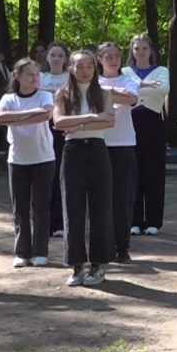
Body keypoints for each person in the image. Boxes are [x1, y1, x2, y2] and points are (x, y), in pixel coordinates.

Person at [53, 50, 117, 287]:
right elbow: (58, 122)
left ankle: (99, 263)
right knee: (73, 207)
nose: (86, 70)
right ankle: (76, 265)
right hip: (73, 152)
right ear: (71, 68)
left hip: (97, 149)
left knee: (101, 207)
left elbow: (109, 120)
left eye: (90, 66)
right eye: (80, 66)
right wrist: (90, 117)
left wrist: (78, 122)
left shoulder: (104, 93)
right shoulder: (63, 94)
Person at [0, 58, 56, 269]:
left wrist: (16, 119)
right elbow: (0, 118)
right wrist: (30, 115)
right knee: (20, 208)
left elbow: (46, 114)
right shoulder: (8, 98)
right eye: (29, 74)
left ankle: (40, 251)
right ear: (18, 76)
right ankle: (22, 252)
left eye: (36, 75)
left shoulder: (45, 95)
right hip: (18, 160)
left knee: (40, 207)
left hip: (44, 158)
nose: (34, 78)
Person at [96, 42, 141, 263]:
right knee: (100, 199)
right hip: (98, 144)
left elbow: (131, 99)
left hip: (123, 144)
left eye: (116, 56)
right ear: (99, 59)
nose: (113, 60)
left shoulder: (128, 80)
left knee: (122, 198)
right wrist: (114, 94)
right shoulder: (93, 81)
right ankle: (102, 246)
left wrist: (106, 93)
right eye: (108, 56)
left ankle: (122, 246)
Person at [127, 33, 169, 236]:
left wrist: (136, 90)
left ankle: (153, 220)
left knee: (154, 170)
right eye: (137, 49)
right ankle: (134, 220)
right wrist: (146, 88)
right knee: (133, 171)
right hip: (130, 122)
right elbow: (121, 92)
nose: (141, 52)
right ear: (132, 51)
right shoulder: (125, 71)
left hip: (153, 122)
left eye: (144, 48)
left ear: (151, 50)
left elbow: (164, 89)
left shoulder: (161, 70)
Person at [41, 42, 71, 238]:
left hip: (65, 129)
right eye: (53, 55)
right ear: (47, 58)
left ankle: (60, 222)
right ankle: (45, 223)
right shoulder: (41, 78)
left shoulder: (71, 77)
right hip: (43, 129)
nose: (56, 59)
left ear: (66, 58)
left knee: (62, 174)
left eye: (60, 55)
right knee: (46, 176)